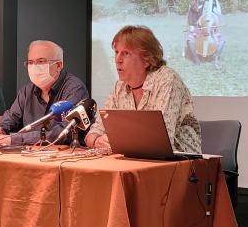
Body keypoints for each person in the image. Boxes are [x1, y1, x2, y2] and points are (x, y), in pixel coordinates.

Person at [85, 25, 201, 153]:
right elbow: (95, 131)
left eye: (126, 53)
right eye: (116, 52)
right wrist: (96, 140)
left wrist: (118, 140)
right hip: (136, 159)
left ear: (147, 60)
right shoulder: (120, 86)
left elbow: (160, 139)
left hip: (182, 162)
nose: (118, 60)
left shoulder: (167, 79)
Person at [0, 40, 89, 146]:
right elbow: (11, 118)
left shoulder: (74, 89)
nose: (34, 67)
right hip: (32, 155)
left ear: (58, 65)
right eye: (30, 62)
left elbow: (63, 133)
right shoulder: (27, 90)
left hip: (65, 156)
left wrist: (14, 139)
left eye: (41, 61)